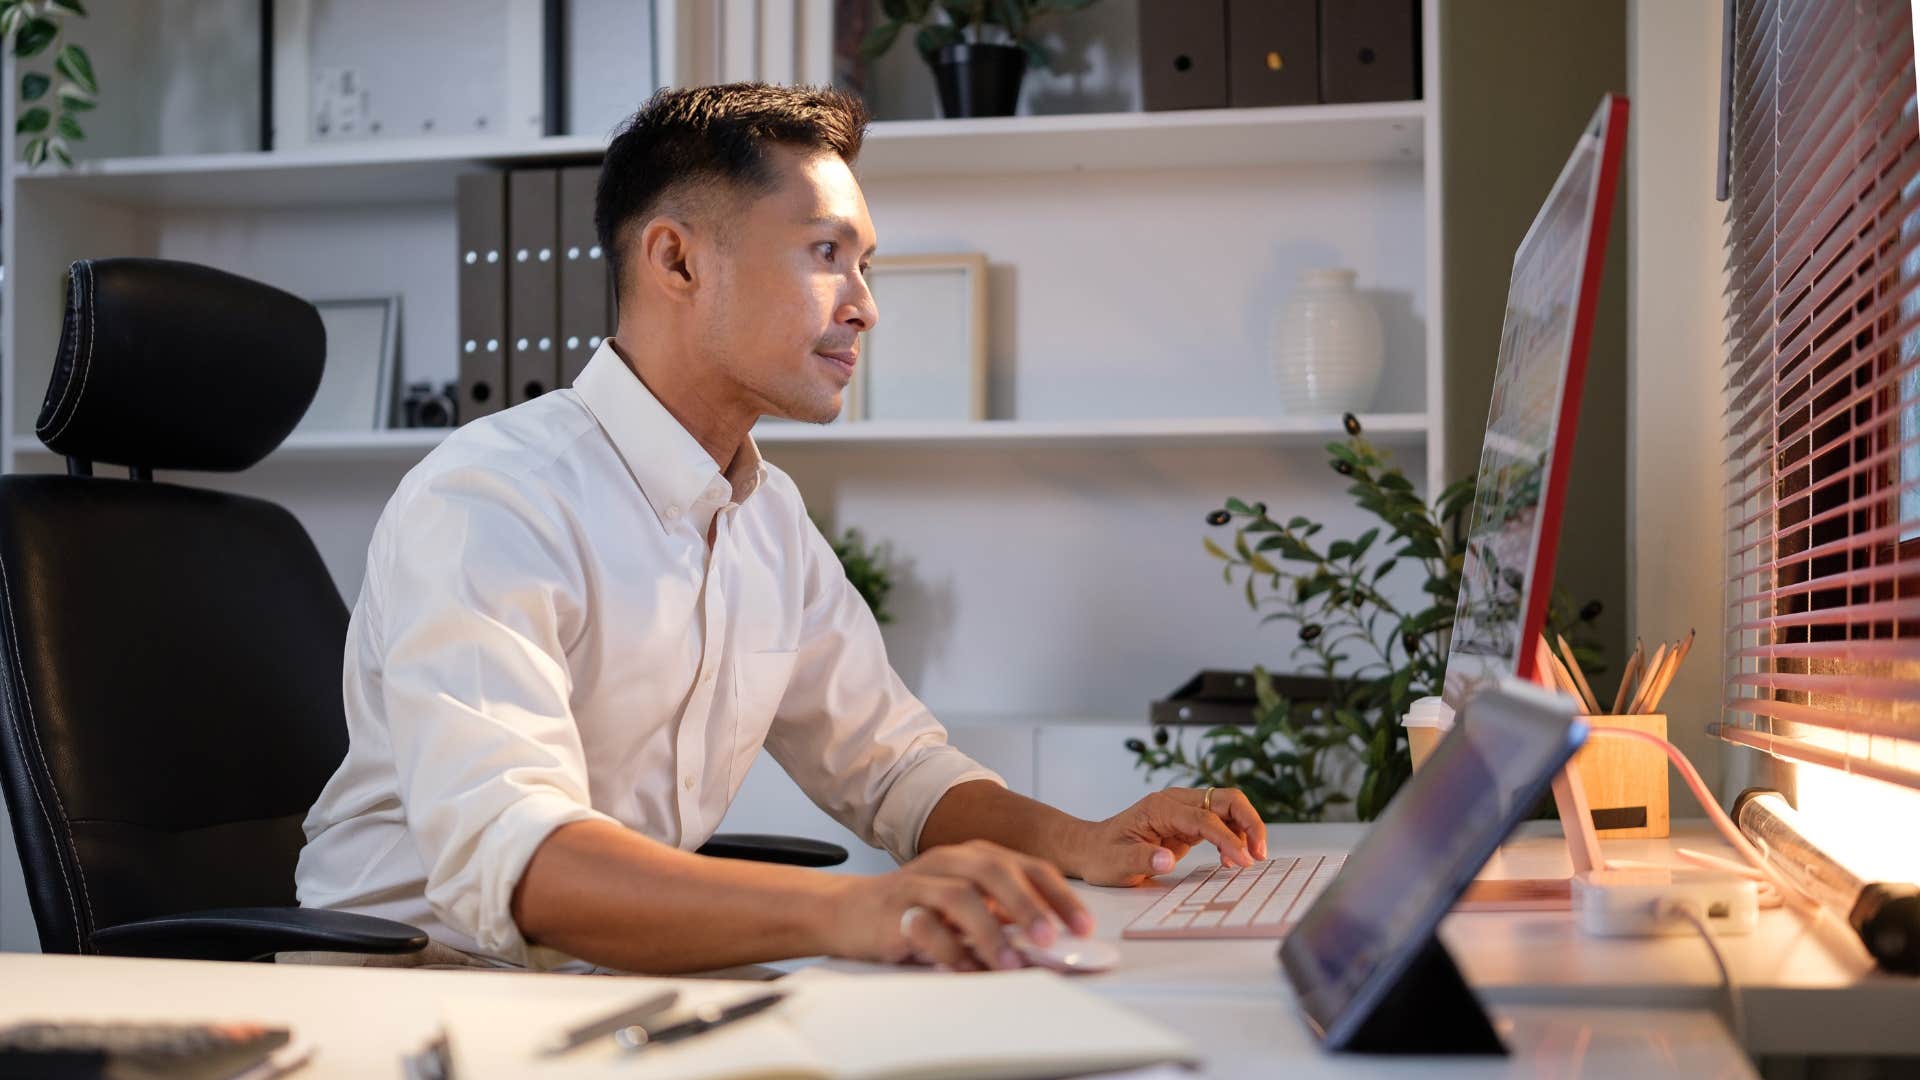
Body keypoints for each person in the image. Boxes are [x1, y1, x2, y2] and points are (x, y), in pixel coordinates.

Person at [295, 83, 1267, 975]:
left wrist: (1083, 839)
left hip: (608, 989)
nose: (866, 306)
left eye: (864, 263)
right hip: (422, 994)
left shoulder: (767, 514)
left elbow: (895, 769)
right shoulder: (488, 502)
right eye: (825, 253)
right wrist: (851, 912)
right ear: (676, 259)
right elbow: (526, 866)